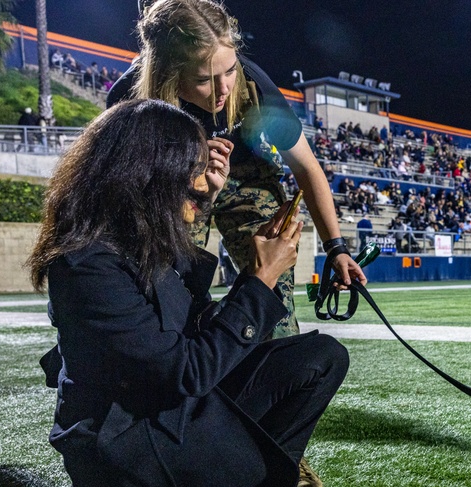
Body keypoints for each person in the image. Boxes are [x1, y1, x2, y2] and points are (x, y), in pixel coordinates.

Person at [27, 99, 350, 487]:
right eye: (193, 172)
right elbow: (186, 371)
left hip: (167, 405)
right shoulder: (86, 262)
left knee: (321, 359)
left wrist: (210, 213)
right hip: (130, 438)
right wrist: (261, 279)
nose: (202, 183)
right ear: (150, 173)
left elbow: (186, 325)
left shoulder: (136, 233)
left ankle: (239, 483)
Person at [108, 0, 365, 339]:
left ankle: (274, 374)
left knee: (274, 288)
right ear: (169, 74)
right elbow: (124, 195)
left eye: (229, 70)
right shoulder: (129, 103)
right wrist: (194, 179)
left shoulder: (254, 86)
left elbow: (306, 167)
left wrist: (336, 247)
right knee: (169, 291)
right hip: (173, 189)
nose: (224, 89)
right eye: (204, 79)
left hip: (247, 178)